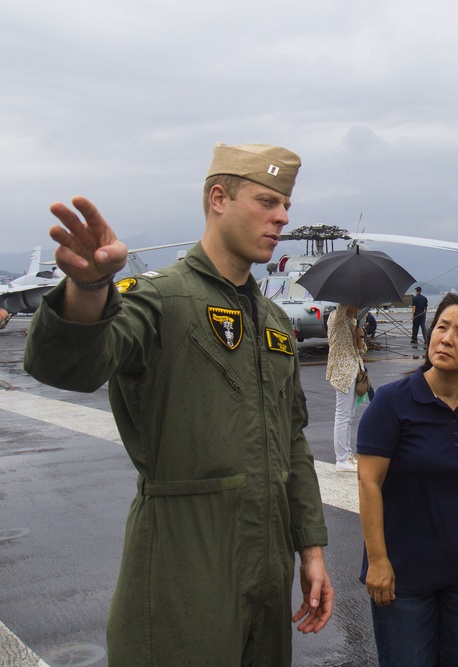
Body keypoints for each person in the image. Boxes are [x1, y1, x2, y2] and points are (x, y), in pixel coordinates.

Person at [23, 143, 333, 665]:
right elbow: (70, 367)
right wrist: (90, 287)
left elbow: (293, 443)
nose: (281, 216)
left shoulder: (274, 323)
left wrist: (312, 548)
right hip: (181, 568)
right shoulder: (157, 298)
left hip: (268, 572)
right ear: (218, 197)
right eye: (266, 201)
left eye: (285, 205)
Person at [357, 292, 458, 667]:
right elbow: (368, 483)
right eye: (441, 327)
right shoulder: (392, 403)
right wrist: (378, 561)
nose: (445, 338)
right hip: (403, 575)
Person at [326, 302, 368, 471]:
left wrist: (360, 336)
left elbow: (362, 350)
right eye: (355, 303)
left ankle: (347, 453)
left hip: (354, 370)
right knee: (342, 416)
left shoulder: (352, 322)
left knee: (349, 416)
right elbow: (341, 310)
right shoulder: (337, 318)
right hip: (343, 373)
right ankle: (341, 459)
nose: (358, 306)